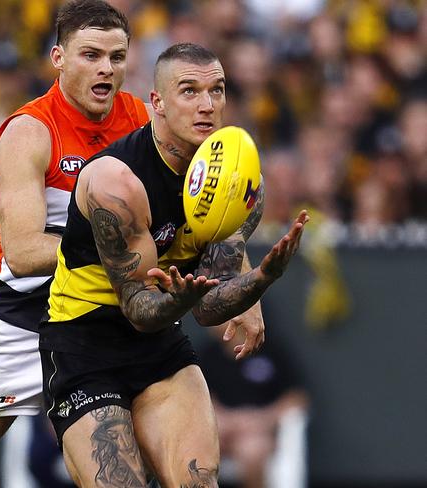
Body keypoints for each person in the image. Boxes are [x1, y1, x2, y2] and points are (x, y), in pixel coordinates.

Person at [39, 42, 309, 487]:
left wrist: (261, 278)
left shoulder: (237, 180)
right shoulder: (116, 183)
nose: (208, 106)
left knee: (198, 481)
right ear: (157, 103)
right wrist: (182, 299)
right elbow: (140, 310)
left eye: (217, 90)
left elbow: (207, 309)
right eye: (190, 91)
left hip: (159, 348)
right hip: (85, 344)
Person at [0, 1, 149, 486]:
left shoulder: (143, 122)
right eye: (91, 55)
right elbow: (22, 253)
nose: (106, 68)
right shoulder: (29, 131)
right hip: (18, 324)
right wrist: (114, 252)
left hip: (93, 323)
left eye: (117, 57)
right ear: (58, 58)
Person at [198, 321, 309, 488]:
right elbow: (199, 395)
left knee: (252, 451)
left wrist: (263, 419)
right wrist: (223, 418)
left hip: (257, 433)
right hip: (221, 430)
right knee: (197, 447)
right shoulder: (208, 354)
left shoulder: (271, 351)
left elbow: (297, 397)